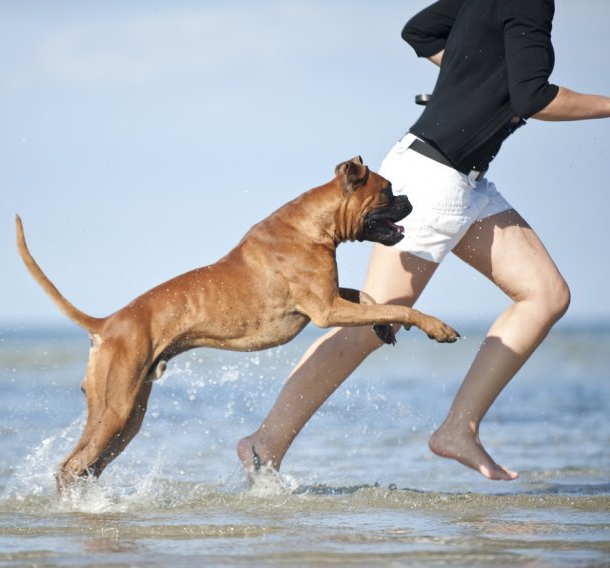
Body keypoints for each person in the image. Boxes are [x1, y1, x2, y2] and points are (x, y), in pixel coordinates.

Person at [237, 0, 610, 481]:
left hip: (464, 180)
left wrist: (471, 84)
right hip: (432, 181)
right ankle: (264, 444)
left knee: (546, 294)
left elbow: (422, 32)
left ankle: (458, 428)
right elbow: (533, 97)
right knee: (370, 324)